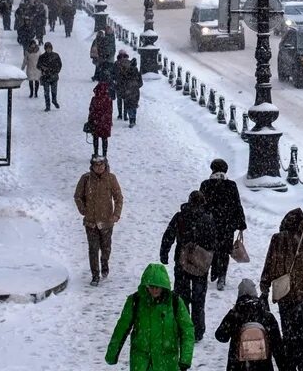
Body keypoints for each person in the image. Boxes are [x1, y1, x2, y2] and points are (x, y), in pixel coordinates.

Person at [105, 262, 195, 371]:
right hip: (142, 362)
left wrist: (185, 359)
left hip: (167, 363)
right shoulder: (135, 301)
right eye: (151, 286)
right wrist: (112, 353)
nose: (154, 290)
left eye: (158, 287)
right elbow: (122, 328)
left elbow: (187, 330)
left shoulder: (175, 303)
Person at [160, 190, 219, 342]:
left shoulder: (180, 217)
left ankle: (182, 327)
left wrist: (164, 253)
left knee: (181, 297)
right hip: (201, 264)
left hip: (182, 261)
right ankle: (198, 331)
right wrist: (215, 265)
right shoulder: (208, 219)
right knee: (199, 300)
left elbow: (169, 235)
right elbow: (214, 243)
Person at [259, 208, 303, 336]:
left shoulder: (278, 239)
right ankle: (301, 350)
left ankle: (289, 349)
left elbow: (270, 263)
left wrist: (264, 287)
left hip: (285, 291)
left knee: (287, 326)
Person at [214, 279, 288, 371]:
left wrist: (231, 313)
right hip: (263, 366)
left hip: (238, 366)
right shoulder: (267, 316)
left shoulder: (235, 315)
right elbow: (278, 347)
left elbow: (221, 336)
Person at [74, 155, 123, 286]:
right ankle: (95, 275)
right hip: (91, 222)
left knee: (106, 248)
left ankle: (104, 263)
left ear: (105, 165)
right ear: (92, 166)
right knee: (93, 249)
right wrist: (83, 209)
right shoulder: (86, 179)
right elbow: (77, 196)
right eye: (96, 165)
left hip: (107, 222)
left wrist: (116, 215)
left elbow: (118, 198)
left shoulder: (111, 179)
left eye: (101, 165)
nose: (99, 168)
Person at [200, 159, 248, 291]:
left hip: (210, 224)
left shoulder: (206, 185)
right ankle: (222, 276)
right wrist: (241, 223)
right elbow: (236, 204)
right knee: (225, 251)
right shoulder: (231, 185)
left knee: (211, 248)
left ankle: (214, 270)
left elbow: (201, 206)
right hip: (227, 225)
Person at [87, 82, 114, 157]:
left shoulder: (94, 99)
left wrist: (90, 120)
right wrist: (109, 121)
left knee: (95, 138)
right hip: (105, 122)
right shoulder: (108, 99)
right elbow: (110, 111)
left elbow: (91, 110)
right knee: (104, 138)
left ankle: (96, 153)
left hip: (96, 121)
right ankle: (104, 154)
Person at [37, 41, 63, 111]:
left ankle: (54, 101)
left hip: (54, 77)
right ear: (45, 49)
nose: (48, 49)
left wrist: (56, 71)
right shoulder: (42, 57)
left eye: (50, 48)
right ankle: (47, 106)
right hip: (45, 77)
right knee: (46, 92)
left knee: (54, 91)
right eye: (47, 48)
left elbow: (60, 64)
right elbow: (38, 66)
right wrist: (43, 68)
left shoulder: (56, 55)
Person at [118, 57, 143, 127]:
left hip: (127, 91)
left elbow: (122, 81)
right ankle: (133, 119)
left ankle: (131, 120)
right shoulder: (138, 73)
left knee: (129, 105)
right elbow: (141, 83)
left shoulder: (126, 72)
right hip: (135, 91)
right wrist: (136, 86)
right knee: (134, 105)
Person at [113, 51, 134, 120]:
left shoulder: (116, 63)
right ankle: (125, 115)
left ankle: (120, 114)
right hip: (126, 84)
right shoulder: (129, 62)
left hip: (118, 83)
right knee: (126, 100)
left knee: (119, 100)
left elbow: (113, 73)